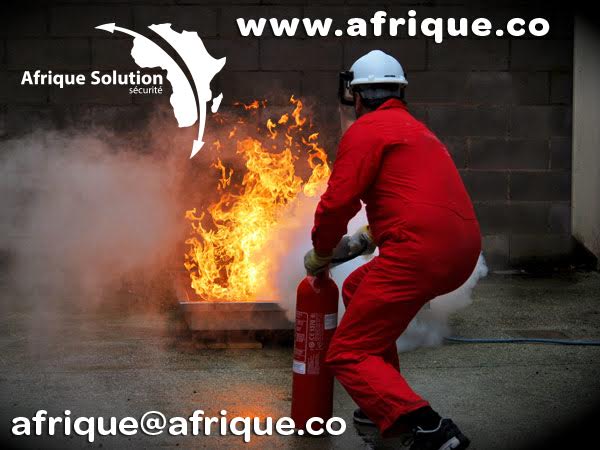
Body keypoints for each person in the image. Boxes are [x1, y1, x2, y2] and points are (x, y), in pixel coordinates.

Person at [304, 50, 481, 450]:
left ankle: (428, 427)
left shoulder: (365, 131)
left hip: (418, 255)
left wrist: (320, 251)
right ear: (400, 92)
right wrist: (369, 236)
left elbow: (337, 204)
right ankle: (380, 402)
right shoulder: (417, 130)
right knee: (357, 287)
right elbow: (417, 199)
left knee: (347, 352)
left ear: (356, 96)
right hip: (460, 252)